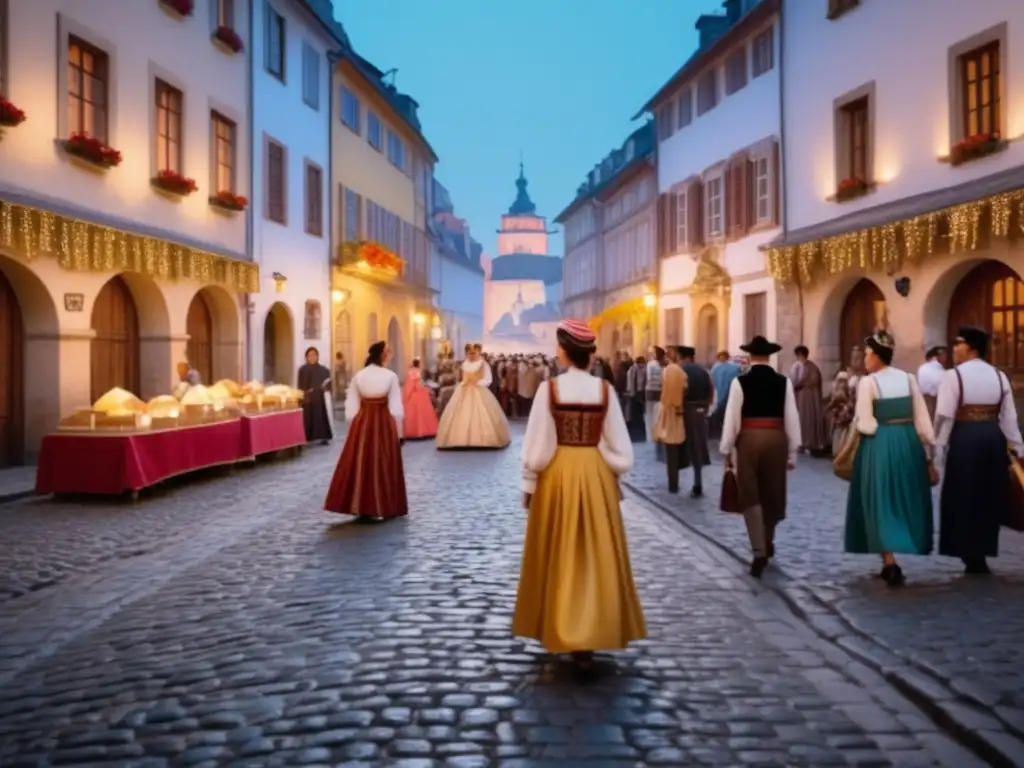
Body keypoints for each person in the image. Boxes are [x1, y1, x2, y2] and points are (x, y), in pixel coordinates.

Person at [514, 319, 645, 671]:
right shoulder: (605, 392)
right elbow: (623, 449)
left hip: (557, 473)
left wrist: (529, 483)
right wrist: (609, 467)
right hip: (596, 472)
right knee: (597, 551)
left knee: (559, 549)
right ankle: (595, 628)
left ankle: (561, 625)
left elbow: (537, 445)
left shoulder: (549, 390)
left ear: (562, 351)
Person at [844, 331, 937, 587]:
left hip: (880, 443)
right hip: (908, 443)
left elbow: (865, 423)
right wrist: (929, 450)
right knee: (904, 497)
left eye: (866, 354)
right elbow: (923, 421)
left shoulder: (868, 383)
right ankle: (899, 547)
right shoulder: (909, 379)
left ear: (875, 356)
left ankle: (889, 560)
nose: (864, 358)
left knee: (879, 499)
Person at [934, 326, 1024, 574]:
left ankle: (968, 551)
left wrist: (937, 450)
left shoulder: (953, 376)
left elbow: (944, 416)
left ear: (971, 347)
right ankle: (982, 551)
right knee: (988, 494)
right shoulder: (999, 376)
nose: (954, 348)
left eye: (959, 343)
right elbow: (1009, 418)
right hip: (993, 438)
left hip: (966, 438)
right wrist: (1018, 448)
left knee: (963, 494)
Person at [720, 336, 802, 578]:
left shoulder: (740, 382)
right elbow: (791, 417)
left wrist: (726, 449)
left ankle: (758, 550)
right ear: (769, 356)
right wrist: (793, 450)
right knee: (773, 491)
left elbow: (732, 418)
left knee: (750, 493)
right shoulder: (783, 382)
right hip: (776, 437)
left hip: (749, 439)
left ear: (749, 357)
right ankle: (768, 538)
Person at [324, 341, 407, 520]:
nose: (391, 355)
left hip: (362, 421)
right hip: (383, 422)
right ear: (383, 356)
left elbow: (351, 405)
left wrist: (353, 426)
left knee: (362, 460)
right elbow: (396, 408)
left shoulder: (359, 376)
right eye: (389, 352)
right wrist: (399, 433)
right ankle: (385, 505)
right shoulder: (390, 376)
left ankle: (360, 504)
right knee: (382, 460)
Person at [436, 343, 511, 450]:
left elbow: (488, 378)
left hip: (478, 390)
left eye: (473, 353)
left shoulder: (482, 364)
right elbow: (460, 377)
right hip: (464, 389)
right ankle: (459, 439)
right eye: (469, 354)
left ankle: (483, 439)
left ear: (477, 353)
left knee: (482, 412)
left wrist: (479, 383)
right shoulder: (464, 364)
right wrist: (462, 383)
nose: (471, 356)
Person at [679, 346, 713, 498]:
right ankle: (698, 480)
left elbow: (679, 391)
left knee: (683, 446)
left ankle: (677, 480)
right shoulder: (704, 371)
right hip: (701, 410)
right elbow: (711, 391)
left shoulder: (681, 371)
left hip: (686, 410)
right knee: (699, 446)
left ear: (683, 357)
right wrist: (706, 407)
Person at [655, 346, 687, 492]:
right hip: (678, 413)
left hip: (668, 412)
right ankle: (674, 482)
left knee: (670, 450)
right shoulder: (680, 372)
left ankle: (672, 483)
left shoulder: (667, 371)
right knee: (676, 448)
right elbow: (684, 389)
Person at [790, 346, 828, 456]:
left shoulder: (797, 366)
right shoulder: (814, 367)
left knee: (802, 420)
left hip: (802, 398)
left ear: (798, 355)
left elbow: (794, 382)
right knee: (811, 420)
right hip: (814, 399)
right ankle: (813, 443)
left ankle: (803, 444)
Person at [297, 346, 333, 445]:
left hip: (320, 398)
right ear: (306, 357)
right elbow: (300, 385)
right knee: (307, 418)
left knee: (320, 417)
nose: (312, 357)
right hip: (308, 398)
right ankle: (307, 437)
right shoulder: (302, 369)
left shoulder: (323, 370)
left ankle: (323, 436)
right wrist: (303, 394)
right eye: (309, 355)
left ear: (317, 356)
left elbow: (328, 384)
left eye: (314, 355)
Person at [402, 357, 439, 440]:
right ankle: (424, 430)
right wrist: (426, 389)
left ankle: (413, 430)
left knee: (412, 413)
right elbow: (419, 383)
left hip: (412, 394)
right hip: (418, 393)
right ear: (418, 364)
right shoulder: (418, 371)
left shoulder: (409, 371)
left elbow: (409, 383)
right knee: (423, 411)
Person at [709, 351, 741, 440]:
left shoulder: (715, 368)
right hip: (730, 396)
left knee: (719, 417)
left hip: (719, 397)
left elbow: (712, 383)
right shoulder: (735, 367)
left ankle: (719, 434)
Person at [826, 372, 855, 457]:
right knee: (838, 438)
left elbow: (851, 405)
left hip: (846, 421)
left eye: (844, 382)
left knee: (843, 439)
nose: (841, 384)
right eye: (840, 382)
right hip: (839, 421)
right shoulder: (837, 393)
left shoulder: (849, 394)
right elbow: (831, 405)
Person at [645, 347, 665, 461]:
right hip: (659, 392)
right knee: (658, 415)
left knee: (650, 415)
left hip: (650, 391)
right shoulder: (663, 365)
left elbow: (648, 378)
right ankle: (657, 433)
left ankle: (650, 436)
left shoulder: (651, 364)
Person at [916, 345, 947, 420]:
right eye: (944, 355)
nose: (945, 358)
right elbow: (941, 384)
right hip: (935, 400)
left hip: (925, 400)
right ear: (937, 356)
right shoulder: (937, 368)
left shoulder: (922, 367)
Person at [625, 355, 647, 443]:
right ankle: (635, 430)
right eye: (642, 363)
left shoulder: (643, 370)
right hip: (634, 393)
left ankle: (640, 428)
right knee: (634, 412)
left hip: (641, 392)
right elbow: (631, 381)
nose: (643, 365)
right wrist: (632, 393)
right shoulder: (632, 370)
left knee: (640, 411)